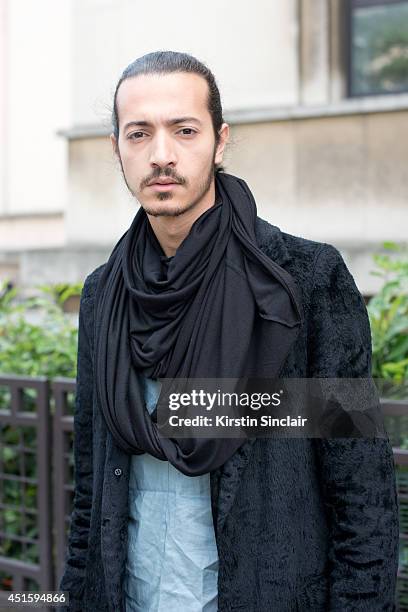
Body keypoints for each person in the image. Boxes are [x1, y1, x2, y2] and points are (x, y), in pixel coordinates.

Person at [59, 50, 399, 612]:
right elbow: (92, 490)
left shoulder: (303, 280)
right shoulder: (105, 295)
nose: (161, 155)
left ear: (219, 141)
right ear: (116, 149)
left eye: (184, 130)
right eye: (138, 134)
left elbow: (360, 493)